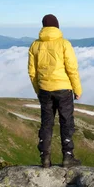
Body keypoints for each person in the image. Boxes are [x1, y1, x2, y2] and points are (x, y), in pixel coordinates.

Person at [28, 14, 82, 168]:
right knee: (66, 122)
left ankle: (45, 158)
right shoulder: (64, 44)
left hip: (44, 89)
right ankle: (68, 157)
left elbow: (32, 72)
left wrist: (38, 90)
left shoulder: (35, 45)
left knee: (46, 123)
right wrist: (77, 89)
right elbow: (72, 68)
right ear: (57, 26)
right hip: (63, 89)